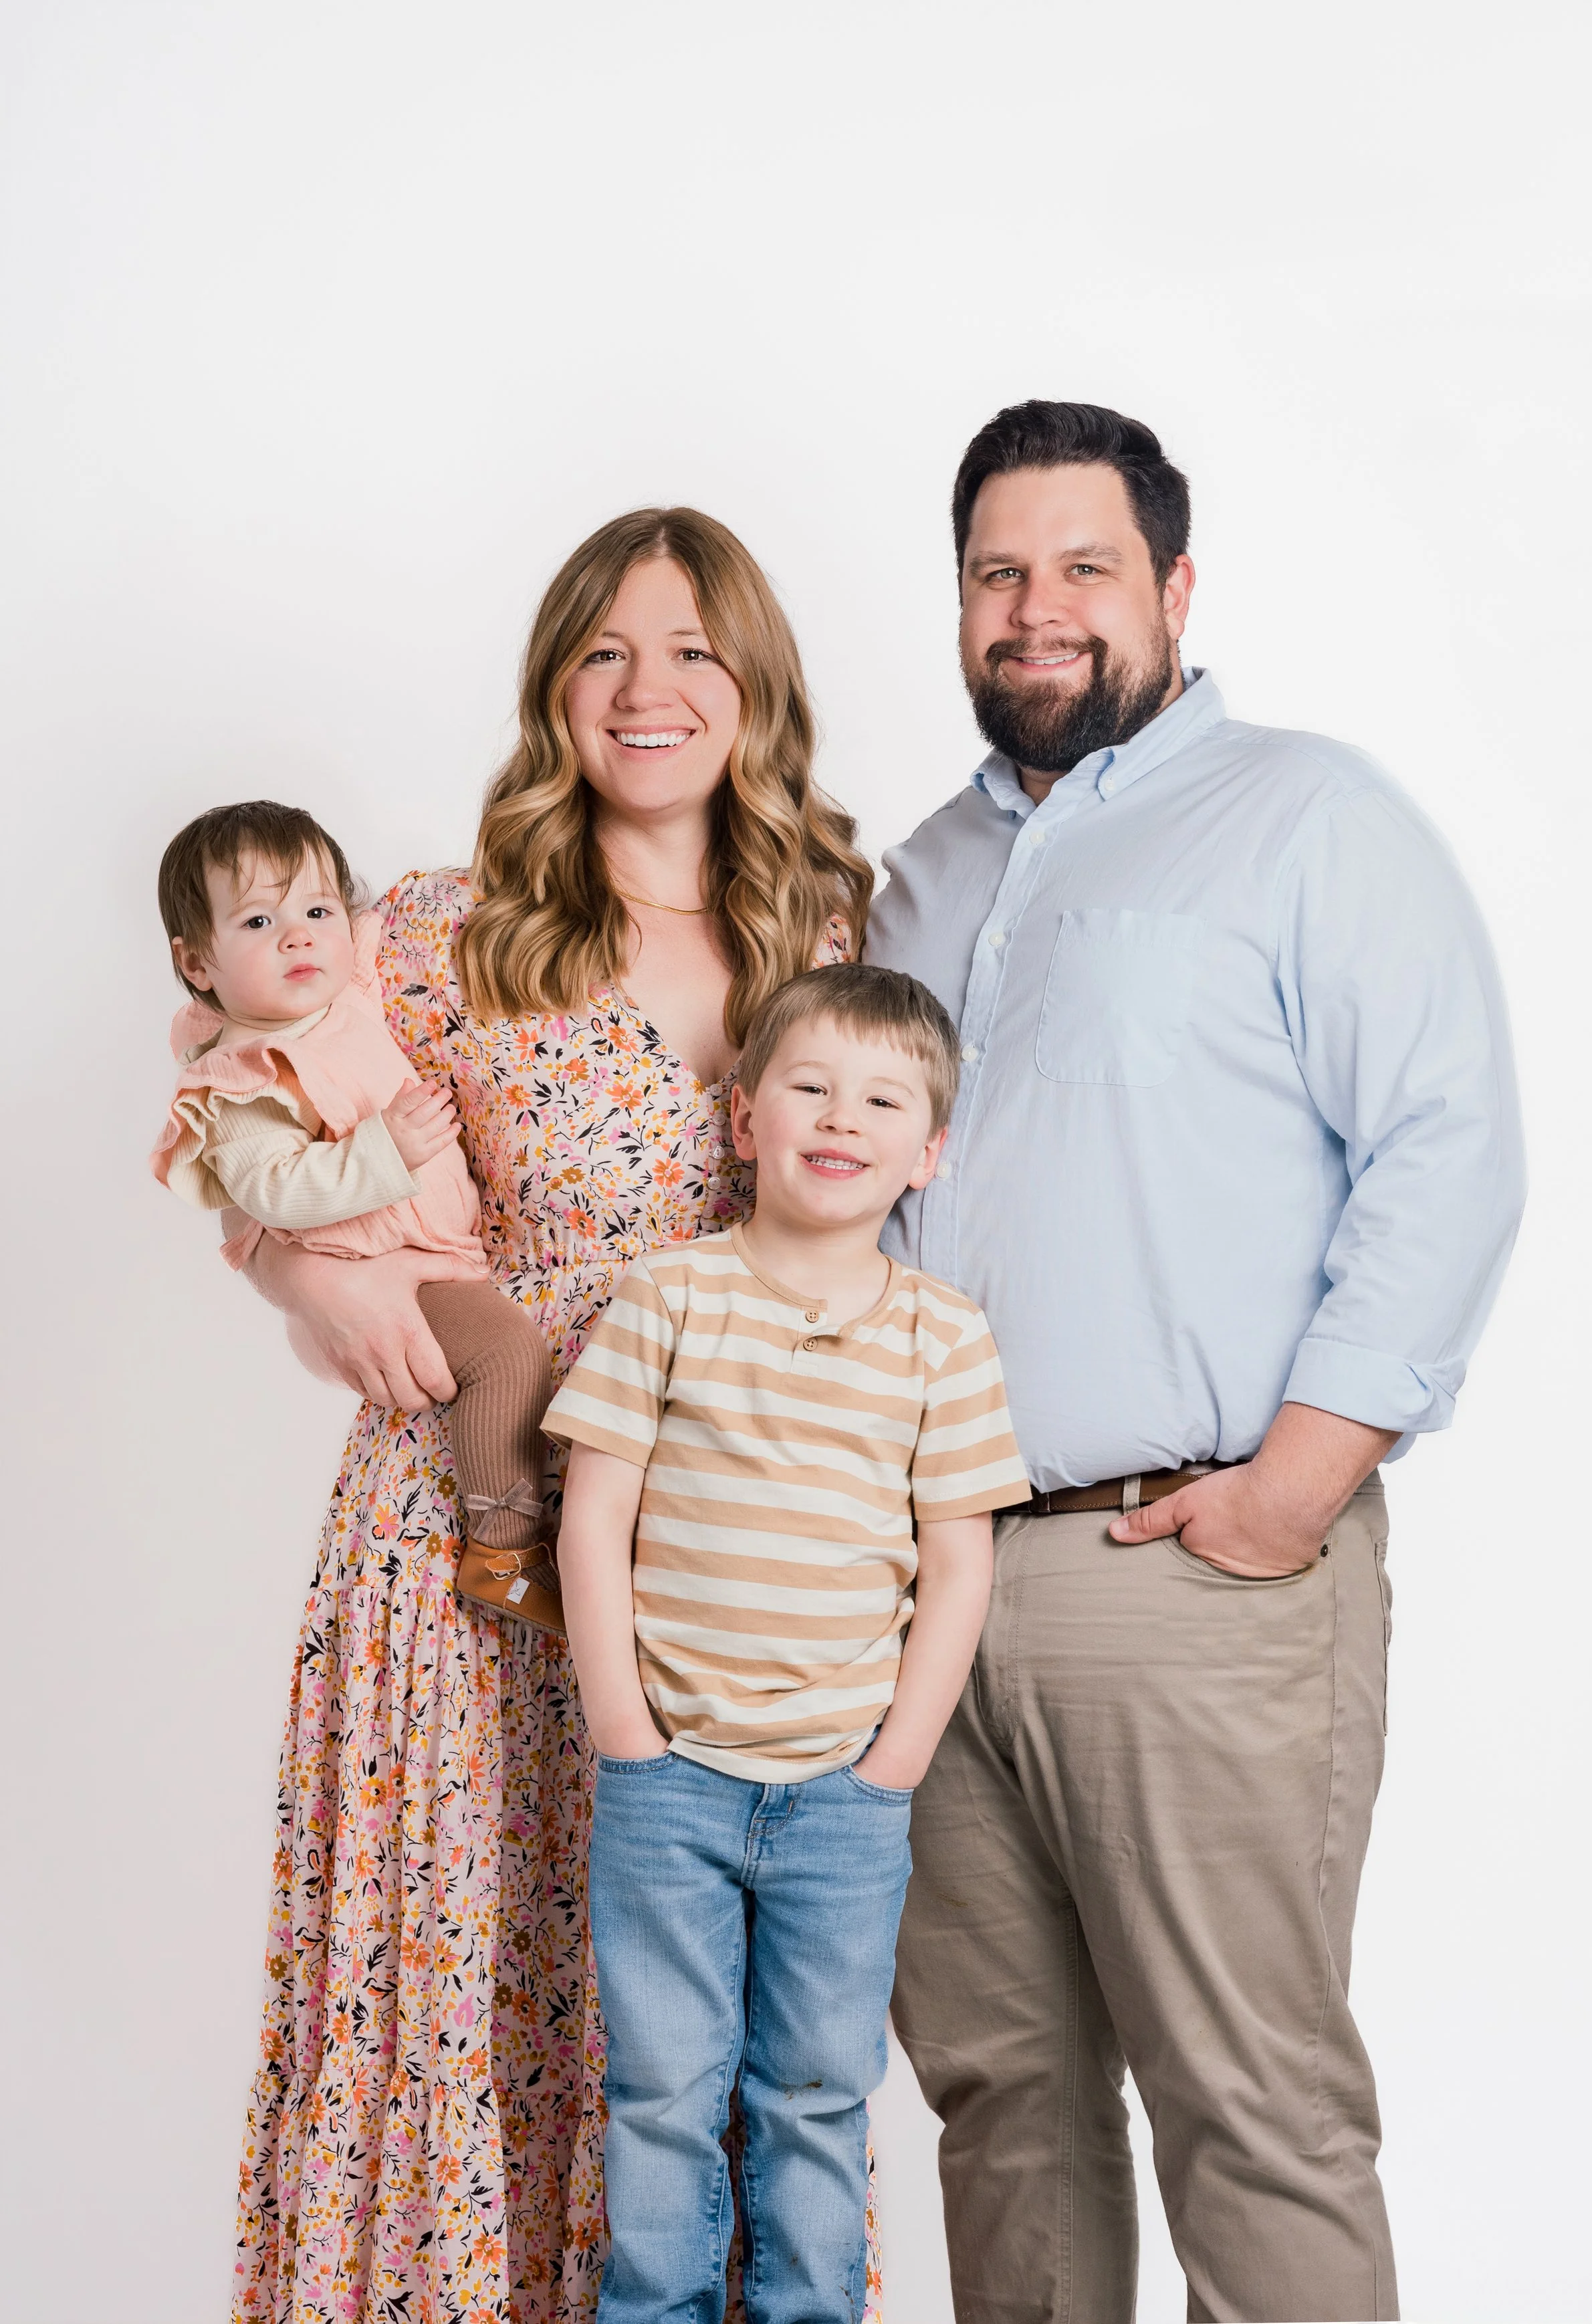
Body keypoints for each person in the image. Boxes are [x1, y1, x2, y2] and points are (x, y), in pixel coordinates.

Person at [868, 400, 1526, 2324]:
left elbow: (1446, 1140)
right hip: (926, 1590)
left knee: (1246, 2104)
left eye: (1082, 566)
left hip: (1192, 1561)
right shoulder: (911, 883)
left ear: (1169, 587)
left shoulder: (1308, 816)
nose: (1035, 608)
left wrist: (1299, 1477)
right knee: (1004, 2116)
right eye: (998, 572)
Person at [223, 508, 878, 2324]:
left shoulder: (834, 920)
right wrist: (317, 1282)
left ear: (755, 685)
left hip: (738, 1528)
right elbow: (263, 1147)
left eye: (690, 650)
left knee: (706, 2024)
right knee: (471, 1953)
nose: (645, 691)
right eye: (603, 651)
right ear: (551, 686)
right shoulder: (436, 927)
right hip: (461, 1541)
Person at [544, 964, 1029, 2324]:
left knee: (816, 2095)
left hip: (841, 1798)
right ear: (745, 1113)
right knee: (658, 2093)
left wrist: (888, 1770)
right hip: (667, 1783)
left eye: (882, 1098)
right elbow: (595, 1525)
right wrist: (625, 1735)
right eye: (810, 1084)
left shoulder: (942, 1338)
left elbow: (955, 1568)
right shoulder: (670, 1295)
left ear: (927, 1151)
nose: (841, 1116)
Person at [152, 799, 562, 1628]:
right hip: (383, 1268)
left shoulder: (346, 993)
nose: (298, 936)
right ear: (198, 962)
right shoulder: (244, 1074)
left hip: (434, 1243)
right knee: (508, 1354)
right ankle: (503, 1548)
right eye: (260, 920)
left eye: (316, 911)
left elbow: (375, 928)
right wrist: (385, 1149)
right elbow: (272, 1192)